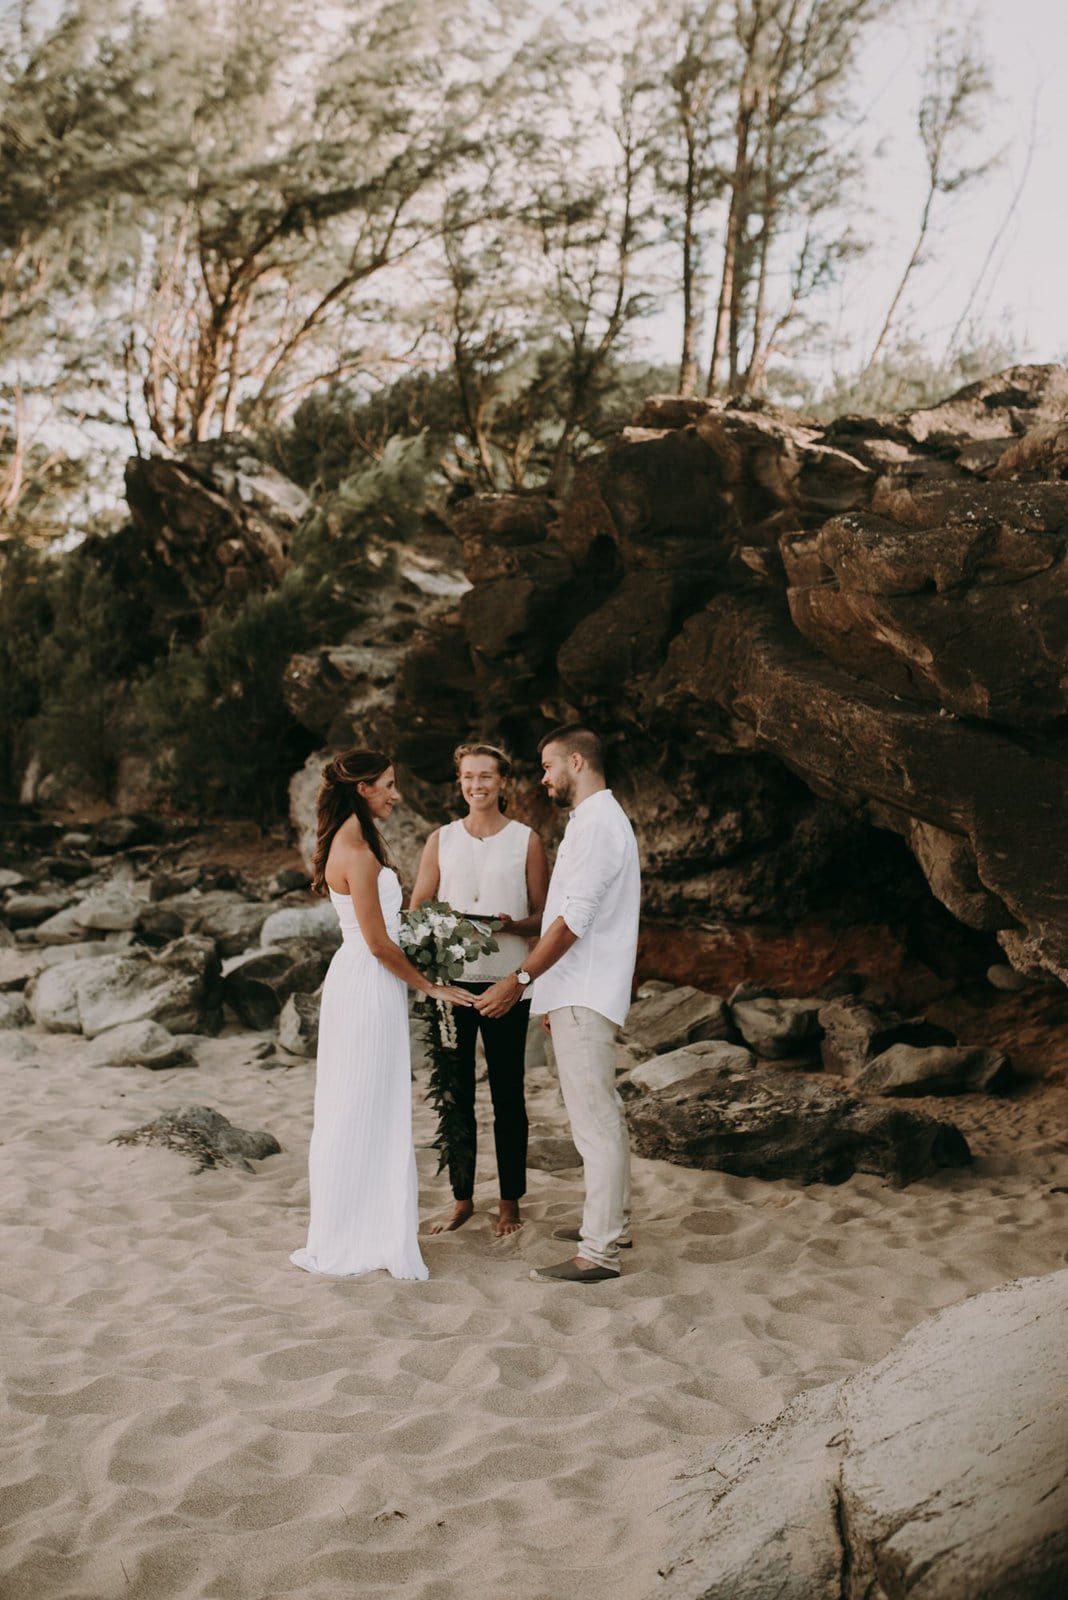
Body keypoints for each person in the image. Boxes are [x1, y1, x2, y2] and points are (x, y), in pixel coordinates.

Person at [290, 749, 472, 1282]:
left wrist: (422, 936)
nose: (395, 794)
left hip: (365, 980)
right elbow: (375, 942)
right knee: (364, 1104)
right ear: (363, 787)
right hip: (370, 982)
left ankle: (362, 1227)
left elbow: (384, 932)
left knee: (363, 1103)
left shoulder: (357, 841)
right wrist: (430, 985)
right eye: (388, 785)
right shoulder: (358, 851)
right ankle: (358, 1235)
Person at [474, 725, 640, 1284]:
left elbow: (573, 921)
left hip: (586, 991)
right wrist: (545, 987)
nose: (543, 778)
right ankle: (610, 1220)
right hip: (573, 991)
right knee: (596, 1117)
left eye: (547, 766)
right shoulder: (592, 823)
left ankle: (600, 1251)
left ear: (575, 761)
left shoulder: (597, 826)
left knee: (596, 1121)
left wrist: (519, 979)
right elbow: (557, 919)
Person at [410, 742, 550, 1238]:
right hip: (453, 988)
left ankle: (510, 1201)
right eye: (468, 777)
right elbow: (418, 910)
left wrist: (513, 926)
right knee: (455, 1094)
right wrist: (438, 949)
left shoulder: (526, 840)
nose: (477, 785)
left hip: (507, 984)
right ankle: (462, 1198)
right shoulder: (441, 839)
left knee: (509, 1095)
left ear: (503, 781)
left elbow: (544, 918)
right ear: (460, 781)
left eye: (486, 776)